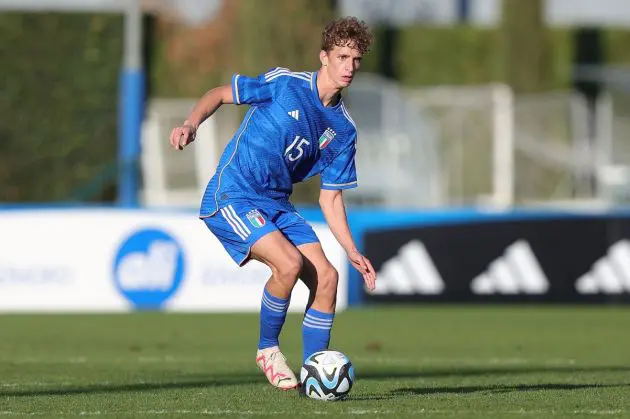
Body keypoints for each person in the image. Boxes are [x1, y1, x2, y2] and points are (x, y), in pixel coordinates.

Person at [169, 16, 376, 391]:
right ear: (324, 56)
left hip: (277, 203)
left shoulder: (344, 130)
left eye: (356, 59)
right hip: (234, 191)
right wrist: (191, 124)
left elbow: (331, 197)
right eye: (342, 56)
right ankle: (268, 349)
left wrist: (350, 249)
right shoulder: (285, 85)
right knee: (289, 263)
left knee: (328, 278)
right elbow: (218, 93)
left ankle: (317, 377)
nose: (349, 66)